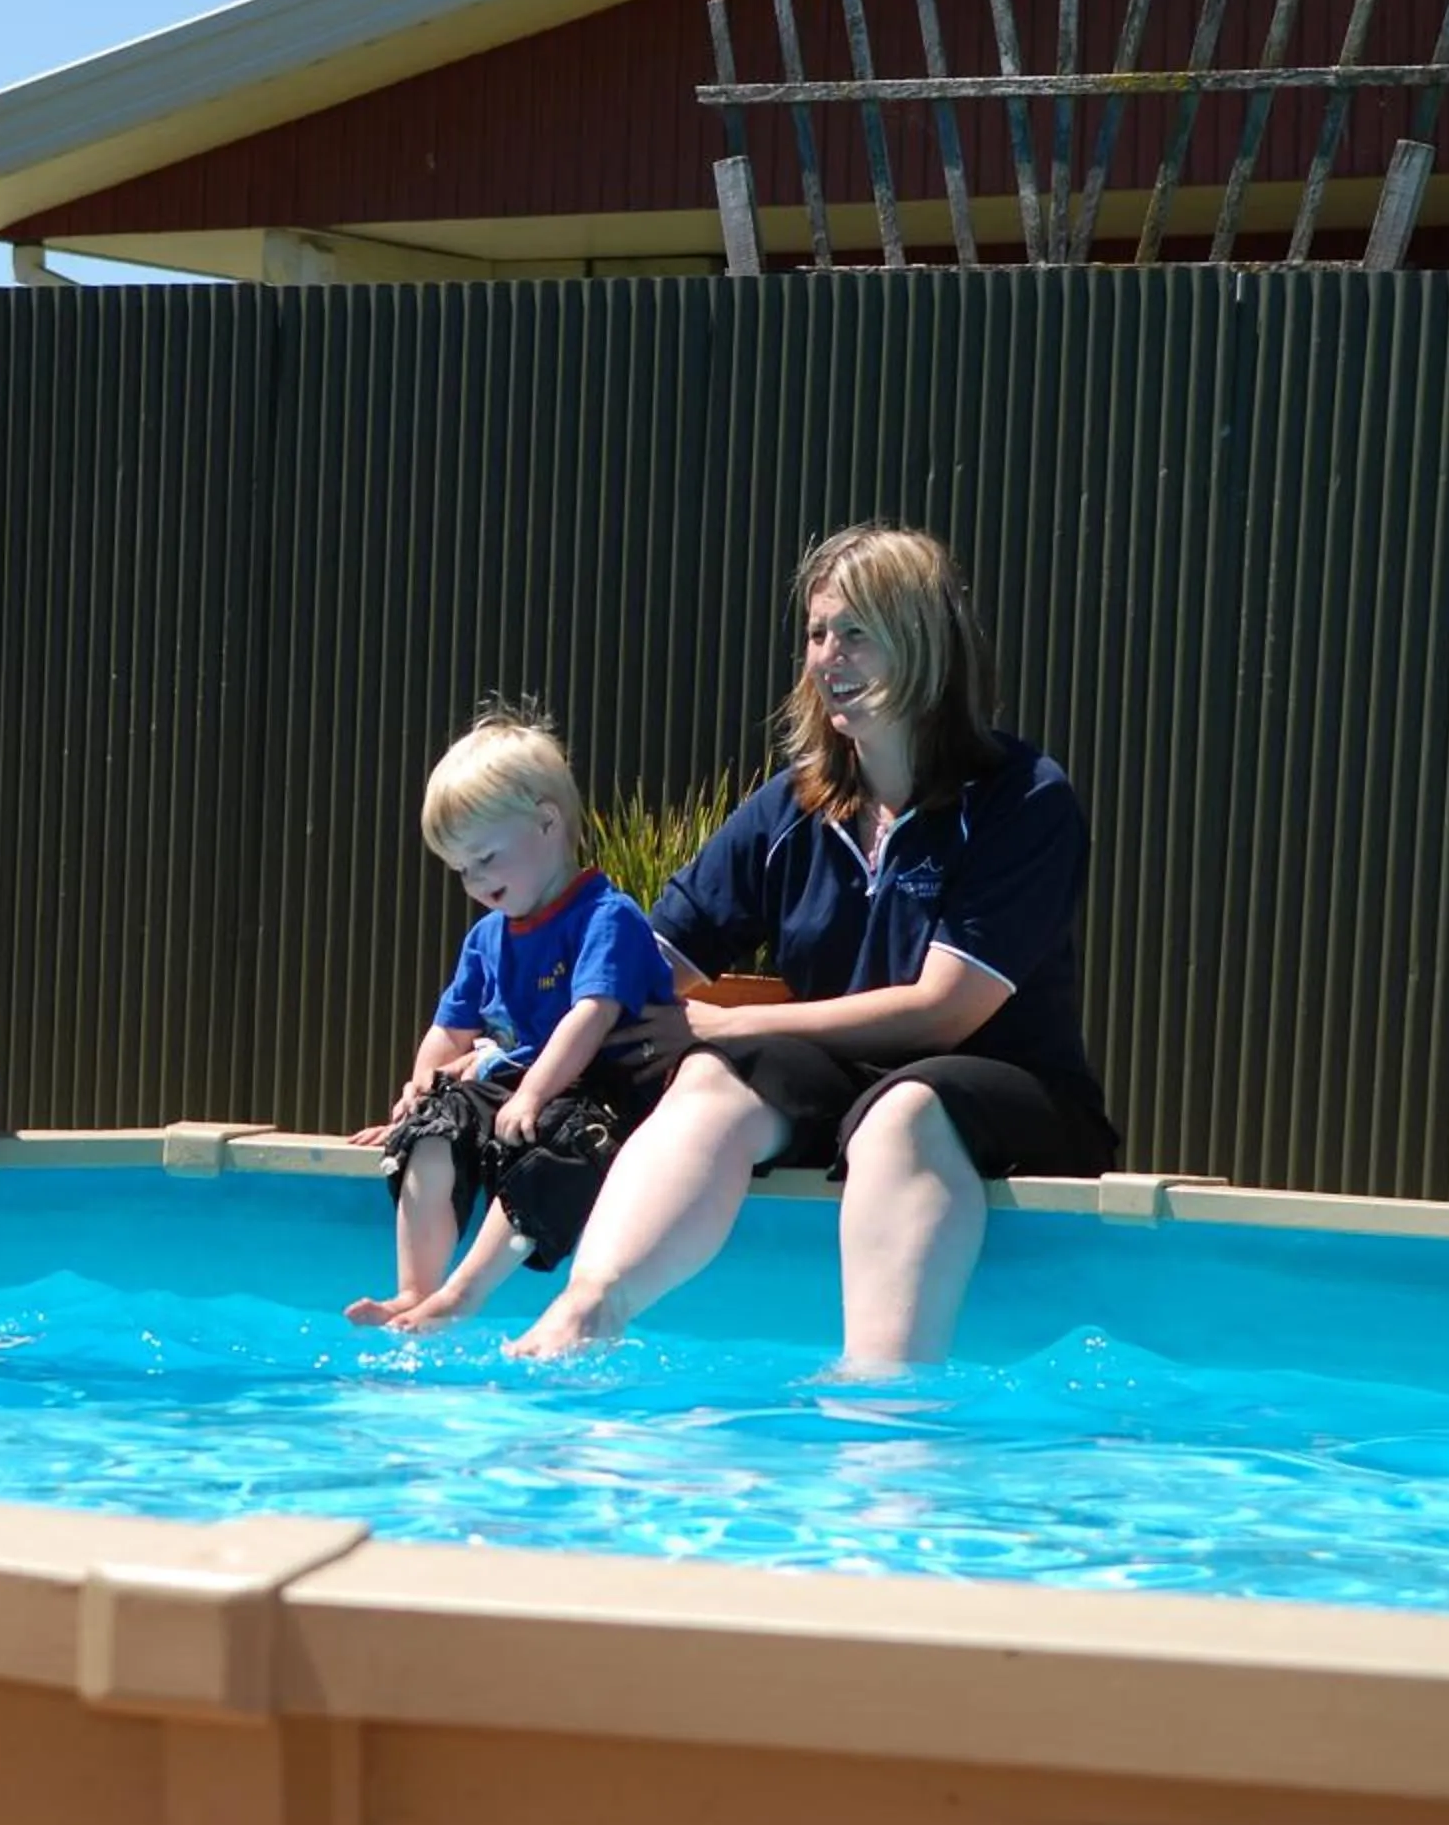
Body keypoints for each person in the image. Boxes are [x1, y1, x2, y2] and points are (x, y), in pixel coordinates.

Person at [505, 523, 1118, 1370]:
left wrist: (721, 1025)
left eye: (856, 633)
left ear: (925, 644)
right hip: (843, 1093)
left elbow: (946, 1012)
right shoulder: (791, 812)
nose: (828, 655)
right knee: (713, 1079)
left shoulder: (1021, 801)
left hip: (1011, 1093)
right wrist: (491, 1056)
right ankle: (584, 1315)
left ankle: (880, 1397)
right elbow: (641, 966)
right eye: (817, 633)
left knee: (900, 1107)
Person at [343, 708, 677, 1333]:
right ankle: (415, 1289)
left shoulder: (608, 917)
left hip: (606, 1095)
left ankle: (464, 1293)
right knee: (435, 1125)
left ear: (546, 822)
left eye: (485, 858)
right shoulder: (487, 937)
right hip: (526, 1087)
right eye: (461, 869)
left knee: (553, 1134)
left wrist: (533, 1092)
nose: (474, 881)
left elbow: (592, 1014)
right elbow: (450, 1031)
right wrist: (422, 1085)